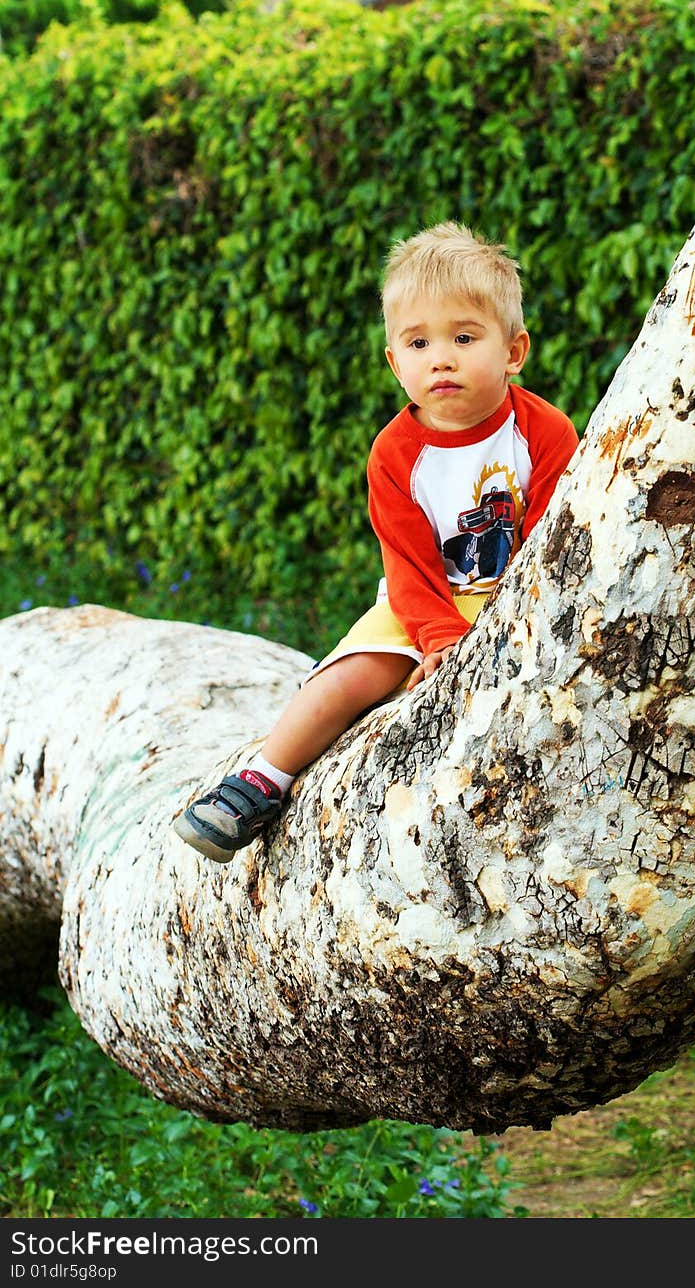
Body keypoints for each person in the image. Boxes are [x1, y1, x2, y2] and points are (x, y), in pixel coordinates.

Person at [174, 220, 580, 863]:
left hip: (514, 591)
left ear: (514, 350)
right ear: (395, 362)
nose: (440, 357)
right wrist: (441, 637)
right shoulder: (396, 454)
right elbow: (410, 562)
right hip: (425, 595)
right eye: (419, 342)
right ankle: (261, 779)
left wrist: (511, 617)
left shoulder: (545, 433)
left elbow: (556, 535)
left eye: (464, 337)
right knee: (351, 676)